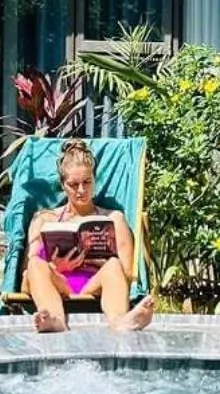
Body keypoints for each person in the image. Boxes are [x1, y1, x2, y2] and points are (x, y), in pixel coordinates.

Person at [26, 139, 155, 333]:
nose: (81, 190)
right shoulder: (44, 220)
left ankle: (120, 321)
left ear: (95, 180)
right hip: (58, 282)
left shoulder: (114, 219)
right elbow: (26, 278)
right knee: (35, 265)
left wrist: (99, 261)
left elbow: (128, 274)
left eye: (87, 182)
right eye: (73, 184)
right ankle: (55, 319)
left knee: (113, 265)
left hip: (94, 284)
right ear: (62, 185)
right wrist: (57, 267)